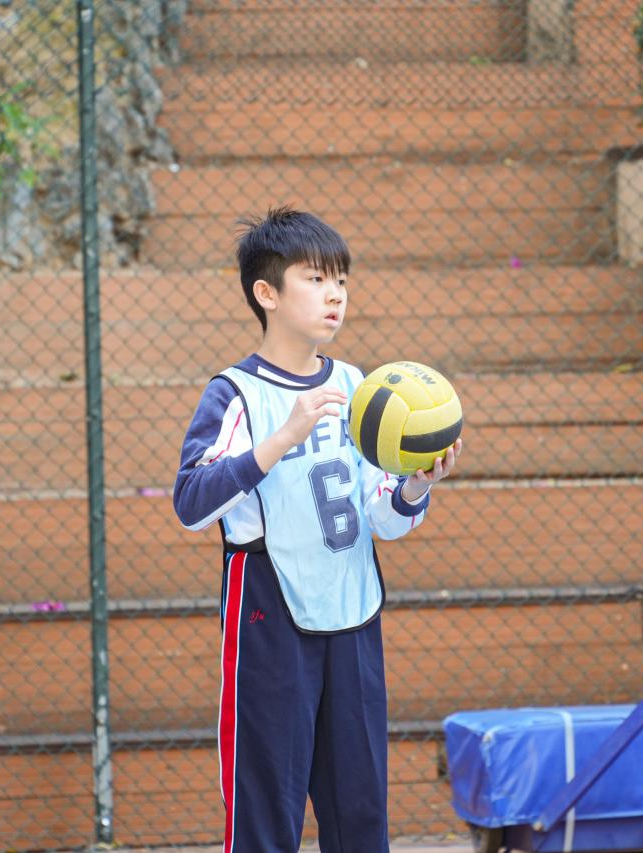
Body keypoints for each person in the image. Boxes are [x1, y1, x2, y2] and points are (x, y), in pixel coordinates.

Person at [173, 207, 460, 852]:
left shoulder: (361, 388)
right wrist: (283, 437)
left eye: (342, 281)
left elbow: (382, 518)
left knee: (360, 810)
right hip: (269, 619)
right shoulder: (235, 394)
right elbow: (190, 502)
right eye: (316, 278)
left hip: (353, 614)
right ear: (266, 293)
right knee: (266, 811)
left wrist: (417, 485)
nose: (335, 295)